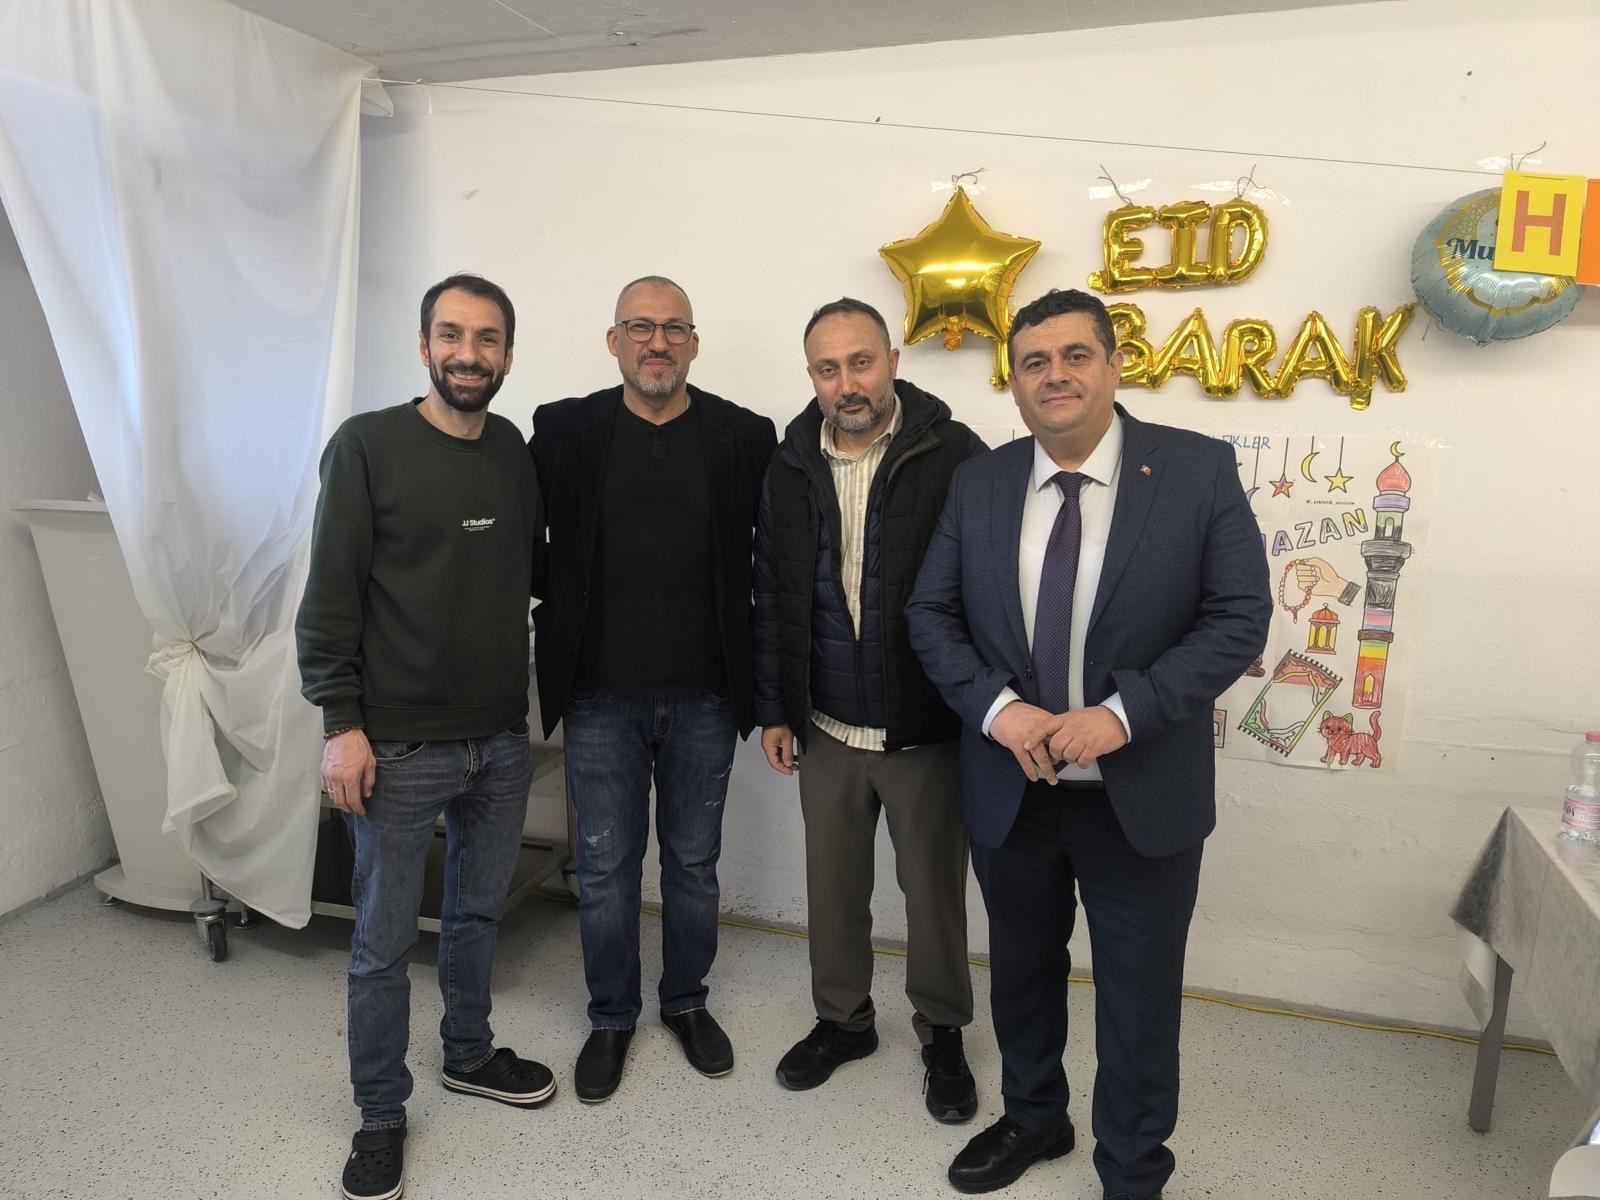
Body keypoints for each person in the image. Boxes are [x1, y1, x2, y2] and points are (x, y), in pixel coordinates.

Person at [906, 288, 1270, 1199]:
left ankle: (1133, 1169)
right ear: (1015, 383)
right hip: (1014, 790)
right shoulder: (982, 482)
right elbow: (930, 613)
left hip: (1139, 797)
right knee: (1022, 977)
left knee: (1138, 999)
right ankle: (1035, 1118)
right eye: (1034, 362)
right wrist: (997, 710)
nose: (1055, 375)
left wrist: (1124, 713)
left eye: (1075, 355)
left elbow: (1238, 618)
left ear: (1114, 366)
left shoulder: (1195, 470)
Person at [297, 274, 552, 1200]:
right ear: (423, 346)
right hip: (397, 748)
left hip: (500, 739)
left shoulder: (512, 449)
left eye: (486, 339)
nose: (467, 355)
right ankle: (379, 1114)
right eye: (451, 335)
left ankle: (469, 1053)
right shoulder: (366, 446)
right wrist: (342, 726)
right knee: (382, 943)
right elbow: (329, 598)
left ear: (508, 354)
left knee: (478, 915)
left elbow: (526, 570)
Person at [528, 275, 776, 1103]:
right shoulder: (564, 430)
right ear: (614, 341)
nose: (657, 342)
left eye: (673, 328)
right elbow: (528, 545)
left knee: (694, 864)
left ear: (694, 344)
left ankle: (686, 1003)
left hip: (707, 695)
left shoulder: (745, 436)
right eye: (640, 327)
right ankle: (611, 1016)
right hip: (599, 696)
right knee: (605, 868)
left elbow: (771, 564)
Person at [752, 297, 985, 1120]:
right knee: (833, 888)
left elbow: (987, 594)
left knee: (934, 896)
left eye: (861, 362)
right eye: (828, 368)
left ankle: (943, 1031)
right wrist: (776, 710)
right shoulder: (788, 465)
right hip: (826, 726)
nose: (846, 383)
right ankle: (843, 1021)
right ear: (811, 376)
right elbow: (774, 595)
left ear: (892, 361)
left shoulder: (956, 453)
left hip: (925, 729)